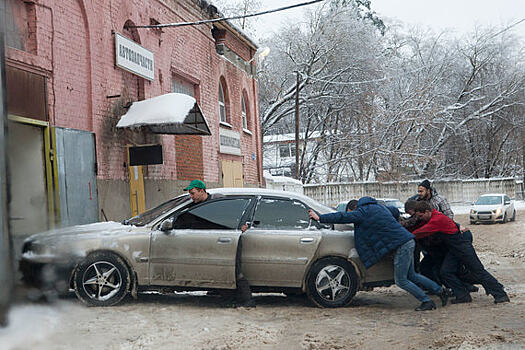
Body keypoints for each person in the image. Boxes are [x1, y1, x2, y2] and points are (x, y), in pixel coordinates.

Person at [308, 196, 448, 311]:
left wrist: (320, 217)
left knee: (401, 280)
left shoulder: (363, 212)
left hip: (401, 245)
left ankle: (426, 301)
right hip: (408, 241)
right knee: (411, 275)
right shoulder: (379, 207)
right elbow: (394, 211)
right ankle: (440, 291)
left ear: (356, 208)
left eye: (352, 212)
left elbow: (342, 217)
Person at [412, 201, 509, 304]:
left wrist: (404, 235)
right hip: (454, 249)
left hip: (462, 248)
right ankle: (463, 295)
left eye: (421, 216)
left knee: (478, 271)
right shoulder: (435, 216)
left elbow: (419, 233)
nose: (420, 218)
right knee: (446, 272)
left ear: (427, 211)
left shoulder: (437, 220)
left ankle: (500, 294)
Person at [183, 180, 255, 308]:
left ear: (201, 191)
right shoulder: (194, 206)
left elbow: (238, 214)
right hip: (209, 242)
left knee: (234, 271)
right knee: (214, 268)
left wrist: (244, 225)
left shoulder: (218, 201)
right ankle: (222, 295)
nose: (191, 196)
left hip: (226, 240)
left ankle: (248, 300)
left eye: (193, 193)